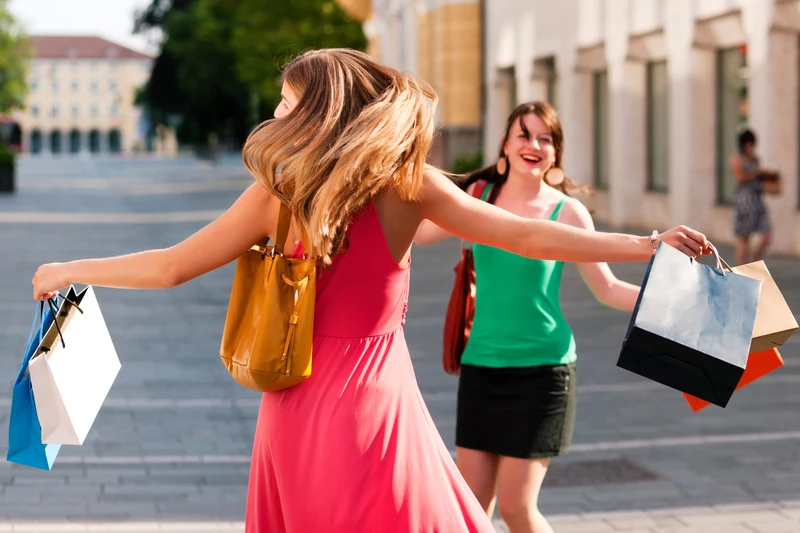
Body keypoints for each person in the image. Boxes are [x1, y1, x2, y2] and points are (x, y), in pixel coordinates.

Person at [31, 49, 709, 533]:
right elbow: (522, 233)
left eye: (288, 100)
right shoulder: (408, 184)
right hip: (377, 404)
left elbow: (174, 265)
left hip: (294, 405)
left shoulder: (279, 192)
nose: (276, 110)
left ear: (317, 113)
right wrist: (646, 245)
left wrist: (70, 268)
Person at [414, 101, 643, 533]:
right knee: (471, 511)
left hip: (544, 372)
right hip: (482, 367)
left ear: (556, 152)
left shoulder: (567, 211)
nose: (534, 145)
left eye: (546, 138)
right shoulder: (479, 199)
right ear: (505, 145)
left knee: (518, 509)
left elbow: (607, 288)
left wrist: (677, 308)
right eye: (524, 135)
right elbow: (421, 233)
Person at [730, 128, 775, 266]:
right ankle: (742, 268)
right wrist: (758, 172)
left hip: (757, 201)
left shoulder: (755, 159)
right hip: (744, 201)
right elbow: (740, 177)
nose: (749, 146)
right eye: (747, 143)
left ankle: (753, 262)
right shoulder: (737, 159)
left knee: (766, 235)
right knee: (744, 238)